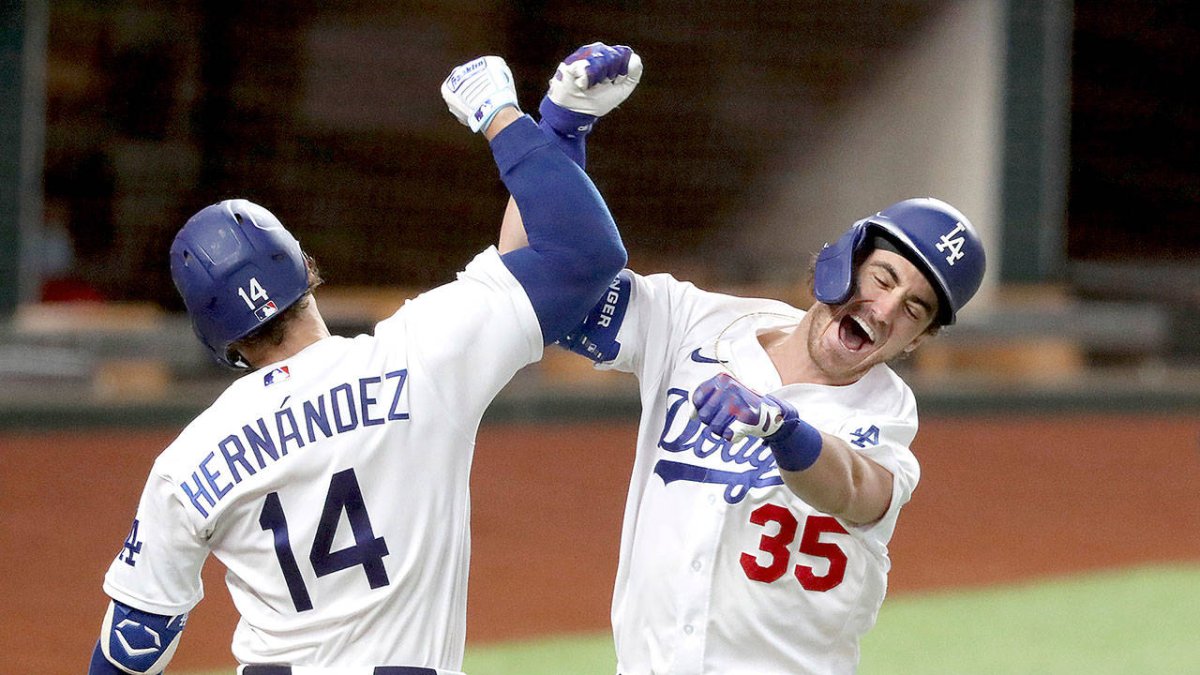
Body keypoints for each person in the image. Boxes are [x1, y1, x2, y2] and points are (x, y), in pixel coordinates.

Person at [88, 45, 641, 675]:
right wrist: (522, 121)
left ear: (215, 335)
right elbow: (574, 254)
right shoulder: (421, 357)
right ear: (305, 266)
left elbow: (132, 649)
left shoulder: (185, 463)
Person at [500, 67, 986, 673]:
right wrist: (560, 132)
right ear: (845, 260)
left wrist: (783, 429)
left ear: (918, 338)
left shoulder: (885, 416)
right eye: (883, 278)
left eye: (914, 308)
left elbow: (858, 491)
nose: (885, 310)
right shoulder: (695, 323)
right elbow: (534, 281)